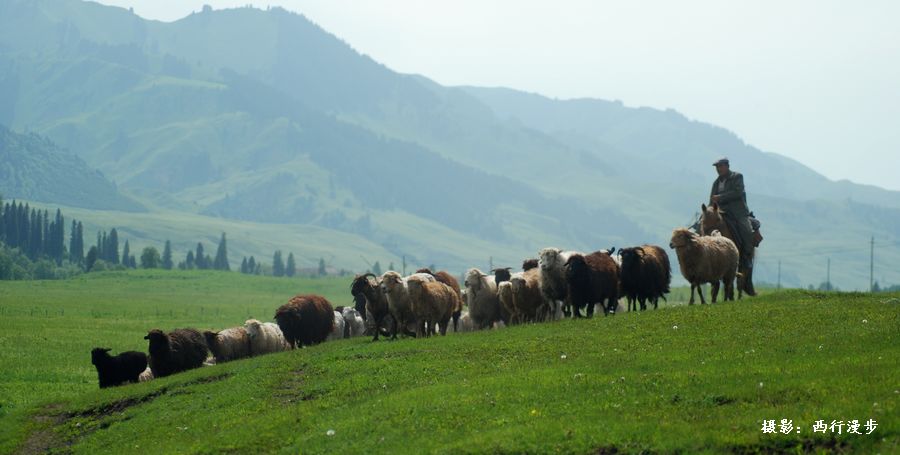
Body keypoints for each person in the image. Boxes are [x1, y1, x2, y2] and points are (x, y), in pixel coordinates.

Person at [709, 157, 756, 271]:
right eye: (717, 167)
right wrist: (708, 211)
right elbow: (712, 200)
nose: (718, 169)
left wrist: (720, 197)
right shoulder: (716, 183)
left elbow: (738, 193)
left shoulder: (737, 177)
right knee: (702, 225)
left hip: (737, 212)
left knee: (746, 231)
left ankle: (747, 257)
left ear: (727, 166)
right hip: (721, 212)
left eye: (720, 166)